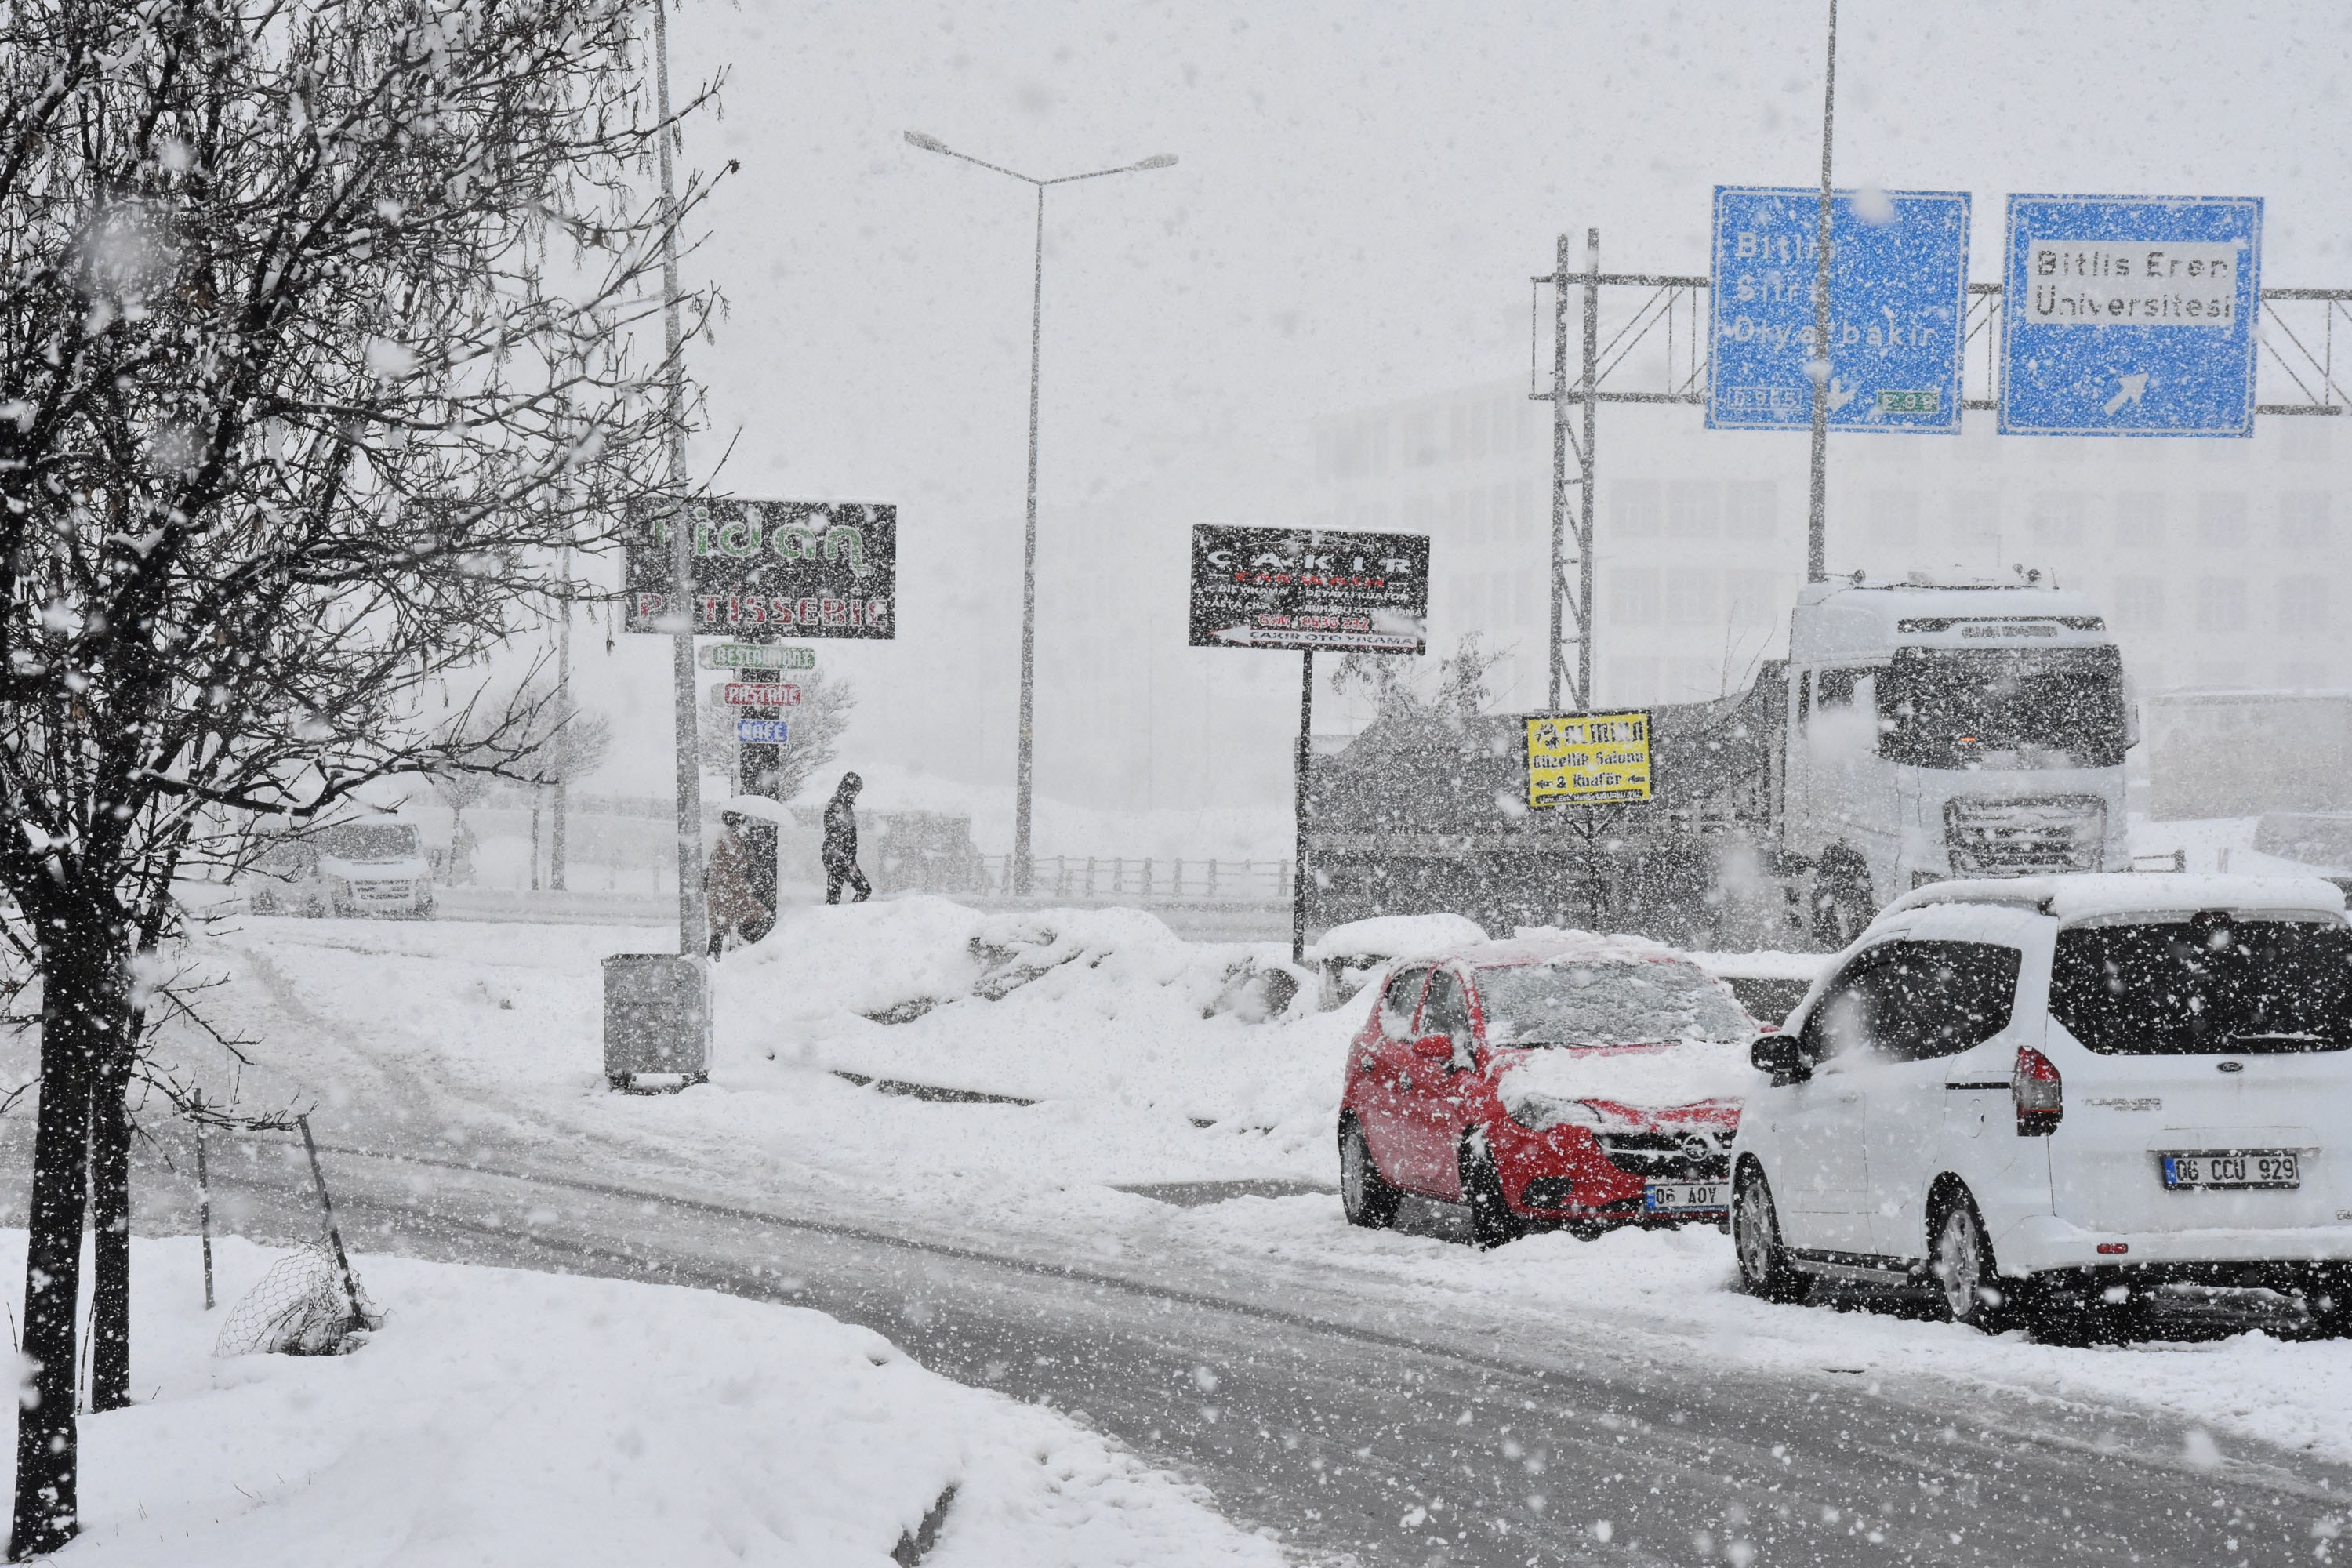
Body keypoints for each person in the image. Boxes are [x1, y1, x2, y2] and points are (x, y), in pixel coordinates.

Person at [705, 811, 772, 957]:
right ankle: (748, 949)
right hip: (729, 888)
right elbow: (737, 861)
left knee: (720, 923)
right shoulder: (731, 837)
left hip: (722, 888)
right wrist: (750, 855)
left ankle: (714, 954)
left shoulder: (724, 835)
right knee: (754, 913)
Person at [822, 772, 870, 904]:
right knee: (864, 890)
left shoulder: (840, 804)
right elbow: (841, 837)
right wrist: (849, 862)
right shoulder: (839, 806)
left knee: (833, 897)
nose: (856, 794)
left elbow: (839, 836)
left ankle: (829, 920)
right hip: (840, 858)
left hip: (835, 857)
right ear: (849, 788)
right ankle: (851, 918)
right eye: (856, 790)